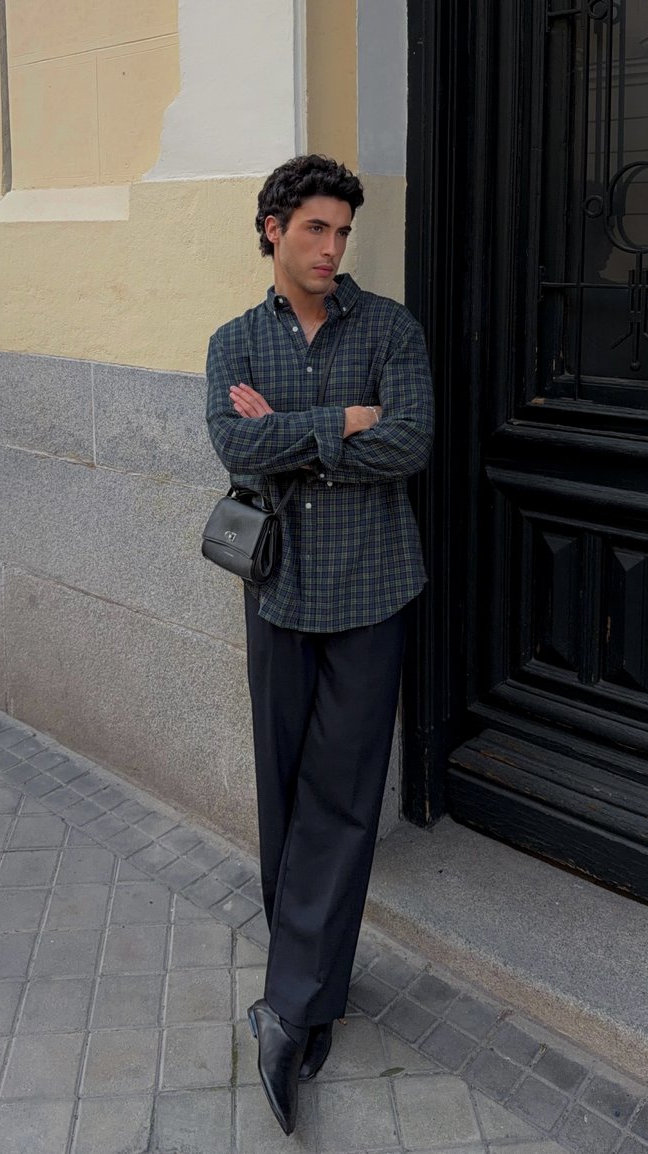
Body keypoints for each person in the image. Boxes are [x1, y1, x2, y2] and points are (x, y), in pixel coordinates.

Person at [205, 154, 434, 1135]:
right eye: (315, 230)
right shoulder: (232, 342)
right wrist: (341, 420)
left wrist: (295, 433)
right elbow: (233, 444)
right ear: (271, 228)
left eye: (342, 232)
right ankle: (306, 994)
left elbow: (409, 440)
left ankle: (287, 1006)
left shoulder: (389, 327)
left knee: (340, 801)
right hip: (278, 590)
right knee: (283, 791)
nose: (332, 249)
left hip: (372, 589)